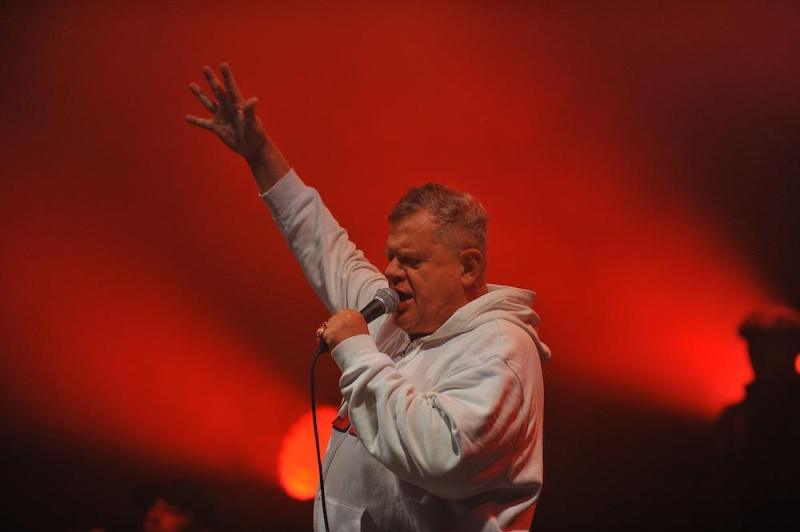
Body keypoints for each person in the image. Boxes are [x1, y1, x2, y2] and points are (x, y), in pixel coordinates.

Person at [186, 63, 550, 532]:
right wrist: (259, 154)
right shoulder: (394, 318)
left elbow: (441, 455)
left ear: (467, 267)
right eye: (391, 257)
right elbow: (323, 244)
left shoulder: (501, 349)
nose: (392, 272)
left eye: (411, 261)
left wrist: (357, 351)